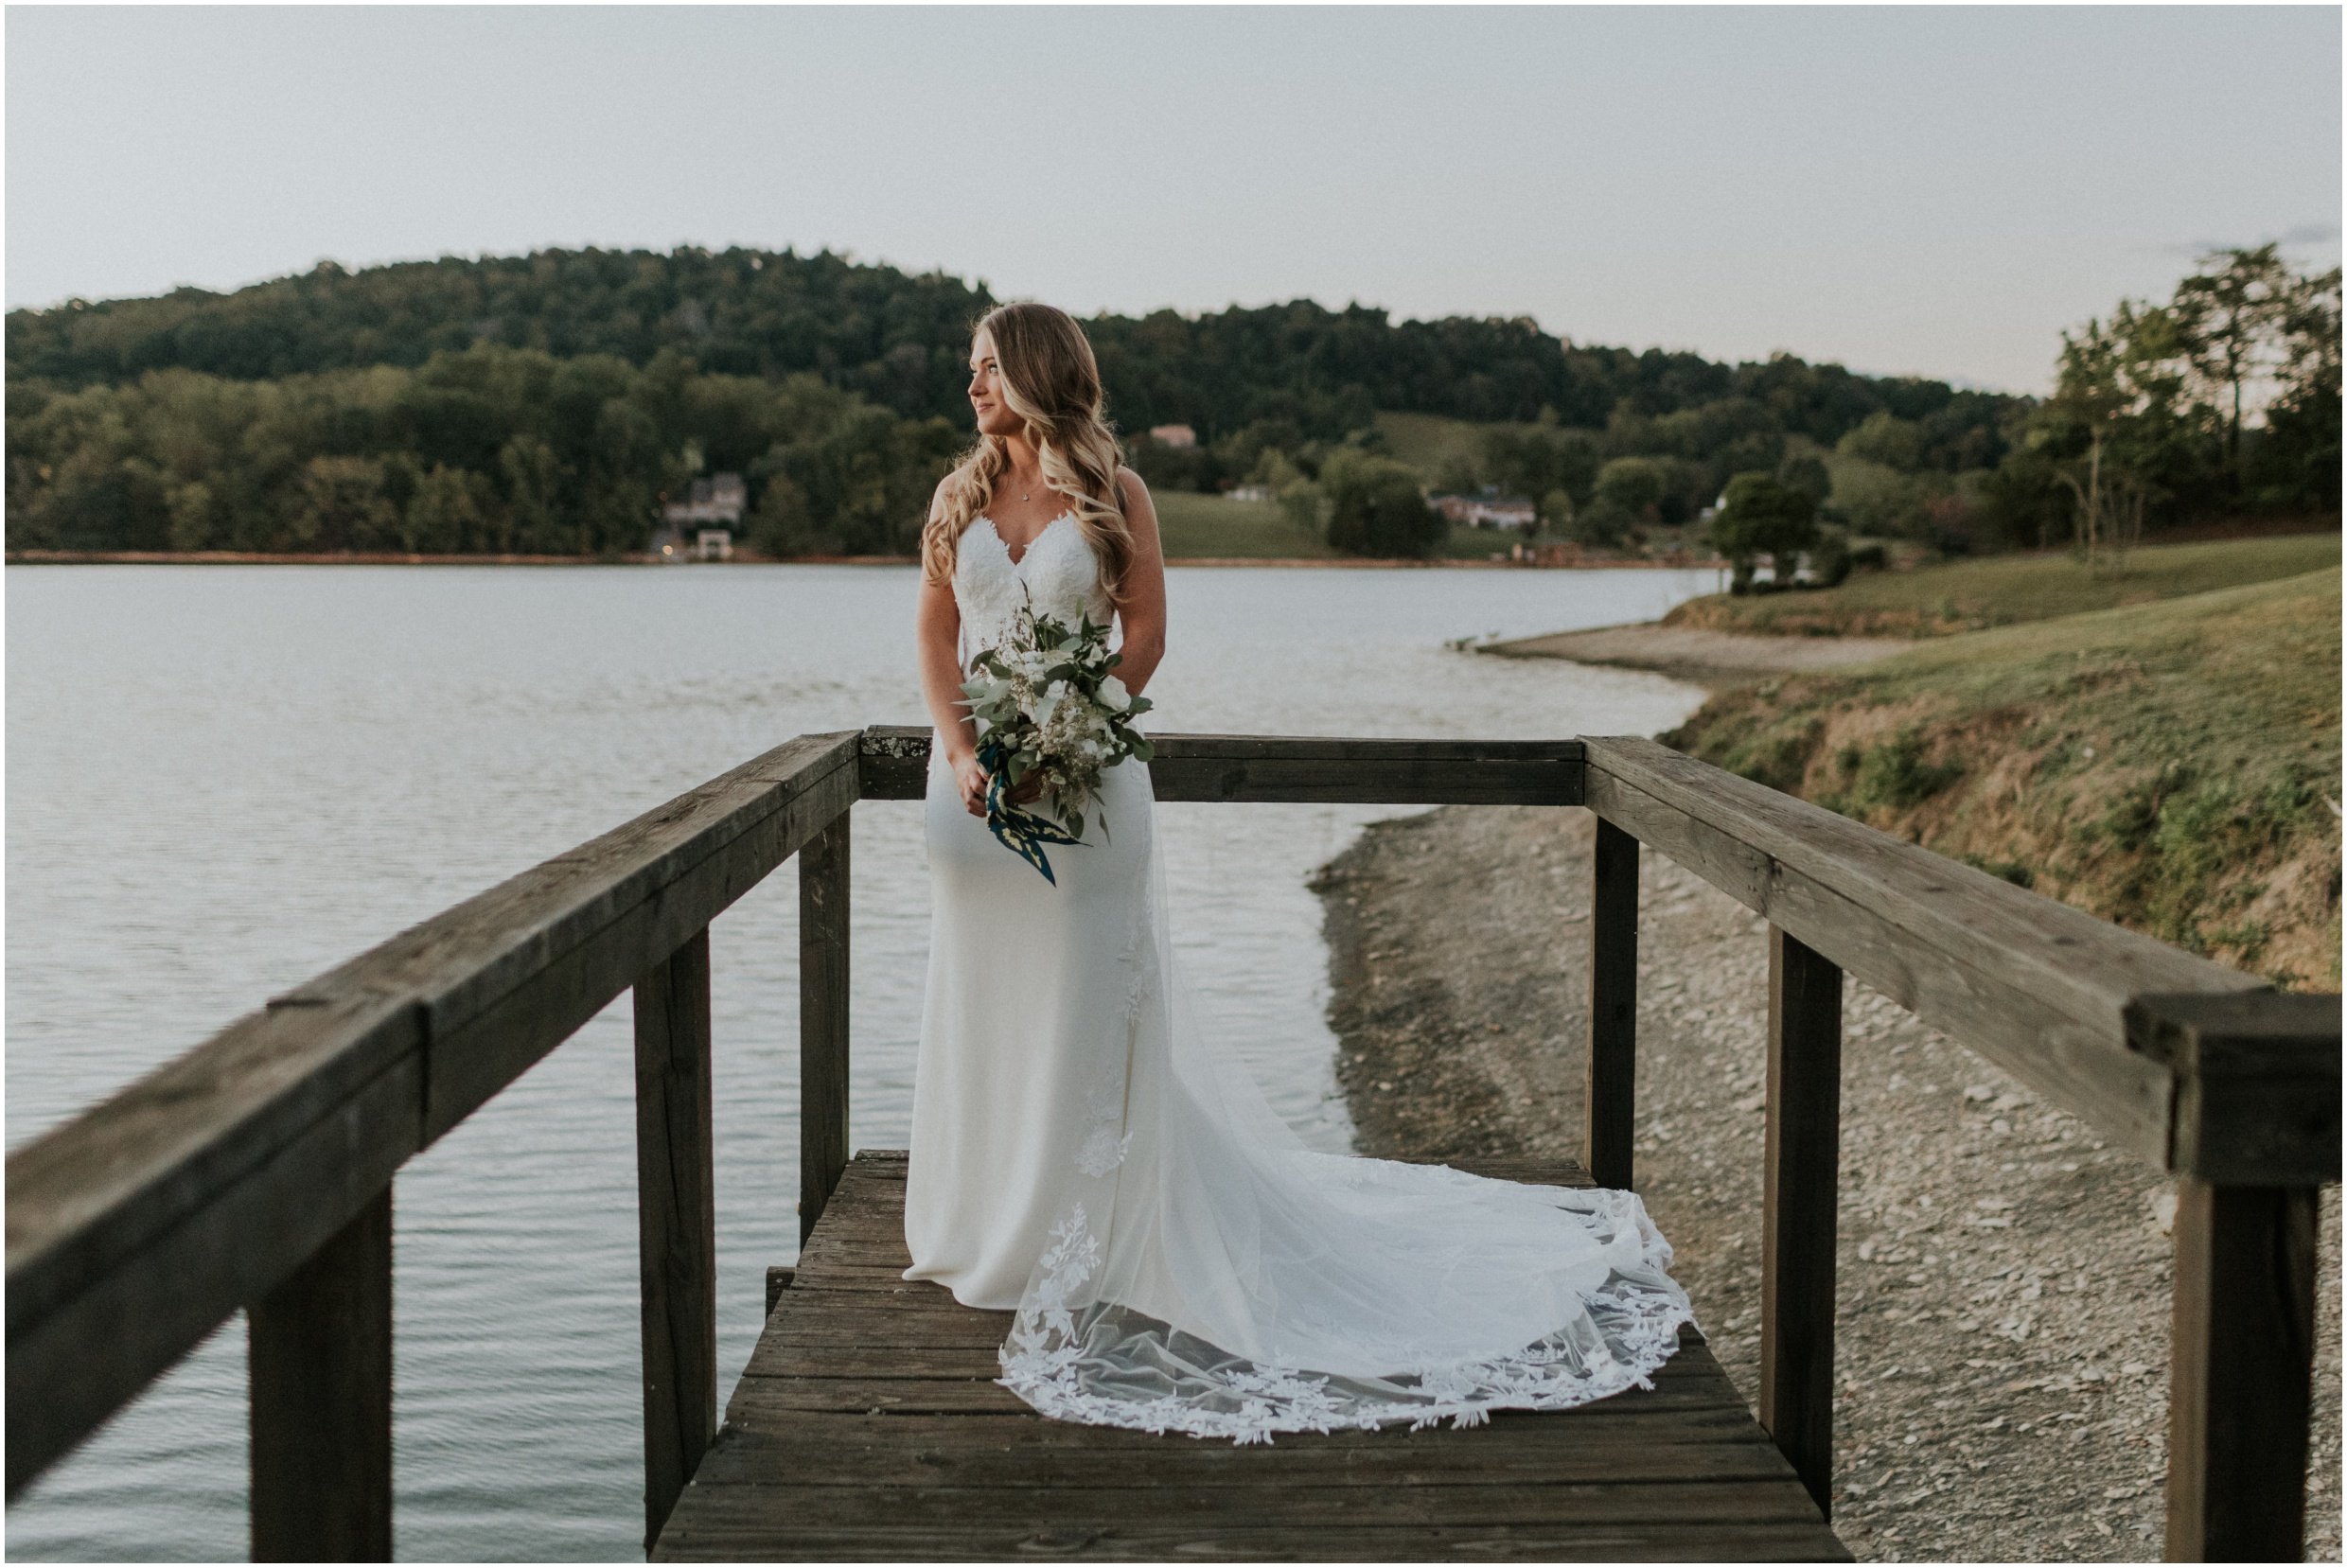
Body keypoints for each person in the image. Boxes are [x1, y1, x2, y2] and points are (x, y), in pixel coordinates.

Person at [904, 301, 1691, 1443]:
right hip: (971, 802)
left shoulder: (1114, 495)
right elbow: (932, 638)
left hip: (1083, 790)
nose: (969, 384)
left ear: (1034, 374)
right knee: (986, 1008)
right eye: (967, 365)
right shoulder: (959, 499)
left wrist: (1068, 735)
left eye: (984, 366)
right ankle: (989, 1225)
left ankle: (1081, 1233)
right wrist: (973, 751)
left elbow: (1145, 639)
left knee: (1081, 1008)